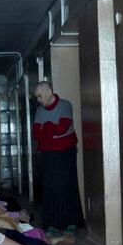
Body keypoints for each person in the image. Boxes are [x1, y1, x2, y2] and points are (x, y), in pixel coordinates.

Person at [32, 81, 83, 233]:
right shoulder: (40, 111)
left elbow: (62, 128)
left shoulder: (65, 105)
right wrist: (51, 129)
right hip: (48, 154)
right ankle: (51, 224)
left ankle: (71, 223)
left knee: (67, 186)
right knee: (49, 187)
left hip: (65, 153)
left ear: (48, 92)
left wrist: (46, 128)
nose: (38, 100)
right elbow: (36, 134)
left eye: (40, 96)